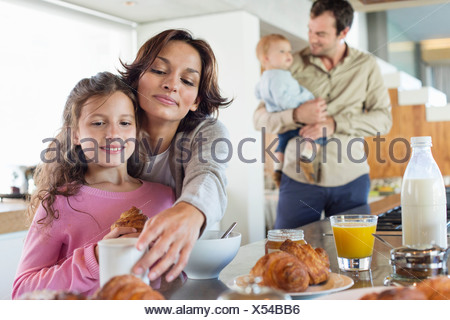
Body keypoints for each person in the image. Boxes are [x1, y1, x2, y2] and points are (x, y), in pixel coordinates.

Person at [12, 72, 175, 299]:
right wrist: (96, 258)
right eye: (98, 123)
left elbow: (179, 279)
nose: (113, 134)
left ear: (137, 131)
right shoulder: (58, 202)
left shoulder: (166, 197)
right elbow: (22, 292)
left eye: (125, 123)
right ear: (76, 134)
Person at [253, 0, 392, 228]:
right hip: (298, 179)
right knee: (288, 252)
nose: (311, 38)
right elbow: (258, 119)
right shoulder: (291, 63)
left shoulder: (366, 65)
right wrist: (296, 114)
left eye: (320, 33)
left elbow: (383, 119)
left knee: (353, 254)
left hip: (350, 178)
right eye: (310, 29)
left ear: (343, 32)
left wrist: (334, 124)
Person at [120, 29, 232, 283]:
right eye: (159, 71)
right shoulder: (115, 128)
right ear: (137, 78)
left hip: (184, 273)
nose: (172, 85)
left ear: (195, 100)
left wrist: (191, 209)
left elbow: (209, 174)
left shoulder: (207, 132)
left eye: (188, 81)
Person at [254, 33, 326, 185]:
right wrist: (303, 104)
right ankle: (307, 158)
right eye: (282, 51)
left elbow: (257, 93)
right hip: (294, 113)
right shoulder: (280, 76)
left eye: (289, 51)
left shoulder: (264, 78)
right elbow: (285, 100)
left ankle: (278, 170)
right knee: (318, 134)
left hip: (281, 123)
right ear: (266, 59)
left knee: (282, 145)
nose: (288, 54)